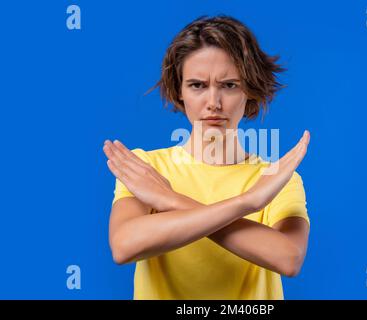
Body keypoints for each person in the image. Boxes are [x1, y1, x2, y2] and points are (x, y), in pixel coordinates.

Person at [102, 15, 311, 300]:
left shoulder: (278, 180)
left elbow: (289, 259)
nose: (213, 102)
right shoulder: (147, 168)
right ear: (179, 90)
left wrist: (170, 201)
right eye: (198, 85)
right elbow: (124, 246)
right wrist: (246, 203)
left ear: (249, 90)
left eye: (229, 85)